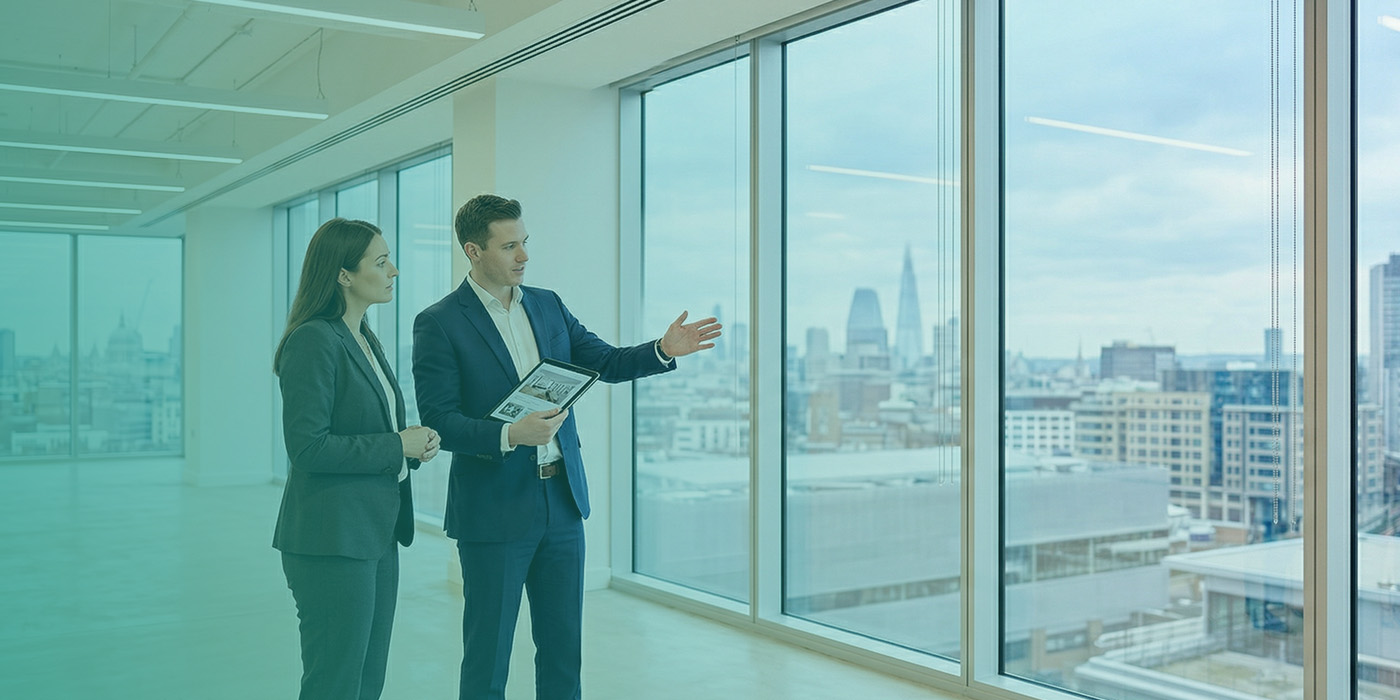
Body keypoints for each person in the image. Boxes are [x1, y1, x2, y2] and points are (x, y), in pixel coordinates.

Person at [412, 195, 721, 700]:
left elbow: (604, 360)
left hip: (561, 505)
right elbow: (439, 420)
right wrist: (512, 434)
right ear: (473, 251)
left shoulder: (547, 303)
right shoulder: (440, 322)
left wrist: (662, 350)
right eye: (509, 245)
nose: (523, 255)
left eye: (524, 242)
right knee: (488, 655)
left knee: (562, 651)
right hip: (492, 509)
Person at [272, 217, 441, 700]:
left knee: (367, 680)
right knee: (335, 682)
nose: (394, 271)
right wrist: (395, 446)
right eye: (381, 262)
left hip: (376, 534)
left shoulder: (364, 337)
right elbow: (307, 448)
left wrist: (412, 447)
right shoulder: (313, 340)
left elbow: (374, 430)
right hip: (331, 540)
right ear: (344, 274)